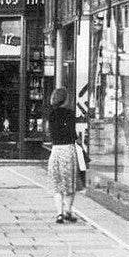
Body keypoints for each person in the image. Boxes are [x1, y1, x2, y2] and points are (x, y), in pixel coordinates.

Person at [47, 88, 79, 223]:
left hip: (55, 151)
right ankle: (68, 210)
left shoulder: (51, 114)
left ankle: (59, 213)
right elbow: (72, 134)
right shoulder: (70, 114)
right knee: (70, 183)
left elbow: (52, 132)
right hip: (68, 150)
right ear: (66, 99)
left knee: (57, 183)